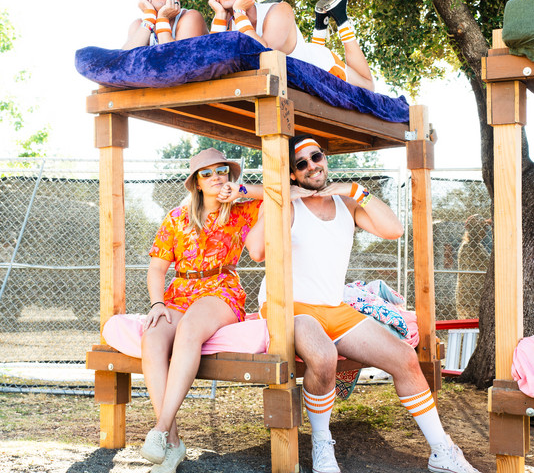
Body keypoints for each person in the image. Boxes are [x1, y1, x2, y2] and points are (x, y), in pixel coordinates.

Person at [246, 135, 481, 473]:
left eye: (316, 157)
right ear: (293, 173)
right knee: (323, 356)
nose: (312, 166)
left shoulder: (347, 203)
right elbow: (256, 251)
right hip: (289, 306)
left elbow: (394, 229)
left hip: (333, 306)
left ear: (325, 159)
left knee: (405, 357)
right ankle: (322, 444)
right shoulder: (287, 204)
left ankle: (442, 452)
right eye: (301, 163)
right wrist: (278, 199)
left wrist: (355, 190)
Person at [140, 148, 263, 473]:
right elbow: (156, 269)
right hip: (180, 292)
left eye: (222, 170)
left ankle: (160, 429)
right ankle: (173, 443)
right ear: (196, 182)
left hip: (221, 289)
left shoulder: (243, 209)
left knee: (190, 328)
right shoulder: (176, 217)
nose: (216, 177)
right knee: (152, 338)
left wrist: (242, 190)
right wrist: (157, 303)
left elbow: (282, 194)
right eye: (206, 173)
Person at [207, 0, 375, 91]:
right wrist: (220, 16)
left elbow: (263, 55)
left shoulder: (280, 10)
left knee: (368, 87)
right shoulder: (226, 23)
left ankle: (340, 18)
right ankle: (320, 20)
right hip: (298, 64)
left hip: (322, 65)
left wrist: (239, 12)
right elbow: (211, 61)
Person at [456, 214, 491, 319]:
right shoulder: (471, 246)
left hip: (472, 294)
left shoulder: (472, 246)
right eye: (483, 228)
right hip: (473, 295)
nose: (486, 231)